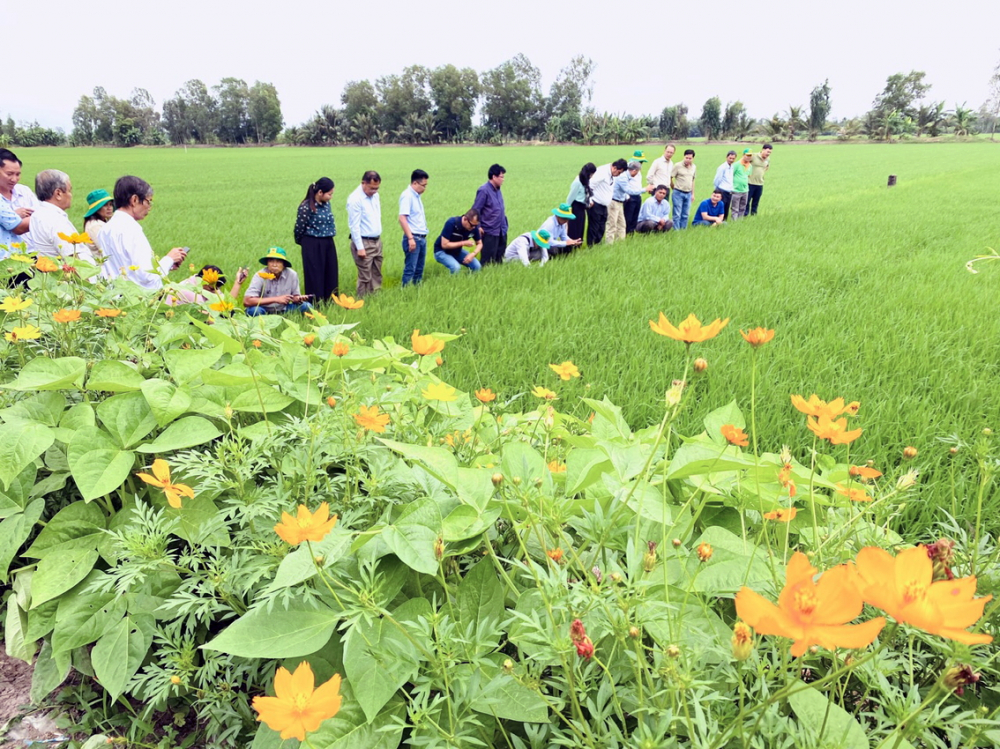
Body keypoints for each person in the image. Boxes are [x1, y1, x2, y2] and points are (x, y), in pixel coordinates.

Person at [97, 175, 187, 289]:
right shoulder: (132, 229)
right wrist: (170, 259)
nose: (149, 207)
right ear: (134, 200)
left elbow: (125, 267)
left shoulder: (105, 229)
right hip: (139, 300)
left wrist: (168, 265)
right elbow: (147, 275)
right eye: (148, 201)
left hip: (115, 297)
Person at [29, 170, 97, 264]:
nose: (71, 195)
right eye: (69, 190)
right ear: (58, 194)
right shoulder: (55, 220)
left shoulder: (38, 214)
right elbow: (73, 259)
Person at [294, 177, 338, 301]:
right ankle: (315, 303)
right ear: (320, 193)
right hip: (312, 243)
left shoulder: (327, 204)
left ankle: (330, 301)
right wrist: (305, 243)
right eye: (329, 194)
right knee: (315, 275)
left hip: (328, 242)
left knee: (331, 272)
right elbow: (299, 228)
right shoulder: (305, 207)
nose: (331, 197)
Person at [243, 247, 313, 315]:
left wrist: (298, 299)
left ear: (284, 264)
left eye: (278, 261)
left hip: (284, 308)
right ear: (267, 263)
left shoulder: (292, 274)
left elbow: (295, 296)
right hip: (263, 309)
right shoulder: (260, 275)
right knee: (255, 311)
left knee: (307, 306)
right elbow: (247, 301)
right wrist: (276, 299)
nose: (274, 265)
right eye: (271, 261)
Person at [346, 171, 382, 298]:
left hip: (376, 241)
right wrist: (360, 247)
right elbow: (354, 226)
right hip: (363, 242)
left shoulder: (375, 196)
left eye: (377, 188)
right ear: (363, 183)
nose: (374, 191)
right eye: (372, 188)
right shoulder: (355, 199)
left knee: (376, 272)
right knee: (365, 276)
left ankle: (375, 298)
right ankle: (362, 300)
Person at [0, 149, 37, 253]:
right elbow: (19, 227)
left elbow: (39, 212)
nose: (14, 179)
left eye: (17, 174)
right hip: (8, 257)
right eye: (9, 174)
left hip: (33, 252)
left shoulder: (24, 191)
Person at [608, 160, 651, 244]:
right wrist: (645, 189)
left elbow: (623, 191)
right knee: (612, 225)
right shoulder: (623, 177)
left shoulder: (627, 176)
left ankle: (620, 243)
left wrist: (626, 197)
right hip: (614, 202)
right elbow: (629, 190)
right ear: (634, 170)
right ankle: (609, 244)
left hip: (620, 202)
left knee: (622, 225)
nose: (637, 173)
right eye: (638, 171)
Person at [471, 164, 507, 265]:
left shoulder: (498, 190)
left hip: (501, 230)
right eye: (501, 177)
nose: (503, 179)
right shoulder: (484, 190)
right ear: (494, 177)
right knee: (487, 260)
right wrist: (478, 226)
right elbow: (476, 209)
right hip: (489, 230)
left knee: (499, 259)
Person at [398, 169, 429, 286]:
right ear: (415, 183)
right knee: (410, 269)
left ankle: (416, 293)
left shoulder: (416, 196)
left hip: (421, 237)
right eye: (423, 185)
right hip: (414, 238)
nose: (425, 188)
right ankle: (405, 292)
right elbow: (402, 218)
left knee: (419, 270)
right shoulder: (407, 196)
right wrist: (410, 238)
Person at [166, 265, 249, 306]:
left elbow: (226, 304)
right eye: (212, 289)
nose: (215, 292)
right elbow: (210, 317)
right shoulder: (190, 292)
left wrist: (237, 283)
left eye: (217, 289)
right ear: (203, 281)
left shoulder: (208, 286)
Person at [433, 209, 483, 274]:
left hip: (456, 251)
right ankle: (451, 283)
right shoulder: (451, 223)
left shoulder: (474, 228)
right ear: (465, 219)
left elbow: (480, 243)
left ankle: (468, 281)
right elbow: (444, 245)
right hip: (441, 251)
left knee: (477, 267)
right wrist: (463, 243)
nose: (474, 227)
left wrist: (473, 254)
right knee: (456, 268)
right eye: (472, 225)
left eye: (476, 225)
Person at [587, 160, 624, 246]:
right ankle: (591, 245)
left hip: (604, 205)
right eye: (619, 172)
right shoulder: (602, 172)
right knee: (594, 227)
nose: (619, 175)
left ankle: (597, 243)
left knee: (601, 227)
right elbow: (590, 186)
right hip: (595, 203)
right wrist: (589, 200)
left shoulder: (611, 174)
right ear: (614, 168)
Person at [566, 163, 595, 245]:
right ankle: (571, 246)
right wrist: (566, 211)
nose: (592, 176)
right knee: (574, 228)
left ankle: (578, 245)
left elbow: (586, 194)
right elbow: (570, 198)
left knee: (580, 228)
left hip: (582, 207)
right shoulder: (577, 182)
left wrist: (589, 202)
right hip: (576, 207)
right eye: (592, 174)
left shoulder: (585, 181)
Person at [83, 188, 114, 257]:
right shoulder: (95, 226)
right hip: (100, 265)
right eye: (105, 205)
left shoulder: (100, 222)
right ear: (97, 208)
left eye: (111, 204)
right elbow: (108, 251)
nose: (110, 208)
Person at [670, 149, 697, 230]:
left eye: (690, 158)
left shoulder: (694, 167)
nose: (688, 160)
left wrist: (693, 194)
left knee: (685, 214)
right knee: (677, 214)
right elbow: (670, 177)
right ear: (684, 156)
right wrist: (673, 187)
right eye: (686, 157)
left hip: (688, 193)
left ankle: (683, 230)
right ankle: (676, 231)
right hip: (678, 192)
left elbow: (692, 180)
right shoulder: (677, 165)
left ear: (693, 158)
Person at [624, 150, 647, 234]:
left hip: (638, 196)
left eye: (642, 162)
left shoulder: (639, 171)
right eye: (640, 161)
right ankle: (626, 233)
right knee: (628, 217)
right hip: (630, 197)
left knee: (635, 217)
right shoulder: (627, 170)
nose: (641, 163)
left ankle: (631, 233)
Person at [748, 144, 772, 216]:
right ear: (763, 150)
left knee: (756, 201)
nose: (768, 154)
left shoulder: (768, 159)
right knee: (747, 201)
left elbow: (766, 168)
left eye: (770, 152)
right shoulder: (753, 156)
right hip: (750, 182)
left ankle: (753, 215)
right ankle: (745, 215)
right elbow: (744, 163)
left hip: (760, 183)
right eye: (767, 152)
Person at [713, 151, 737, 220]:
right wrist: (717, 190)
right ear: (726, 157)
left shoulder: (732, 167)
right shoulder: (722, 167)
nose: (731, 160)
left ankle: (724, 222)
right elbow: (717, 179)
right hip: (722, 190)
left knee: (726, 208)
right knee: (721, 208)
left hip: (729, 191)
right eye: (730, 158)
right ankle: (718, 221)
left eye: (733, 158)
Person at [730, 149, 753, 221]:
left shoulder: (750, 166)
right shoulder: (736, 164)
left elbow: (748, 176)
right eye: (747, 155)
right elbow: (730, 175)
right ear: (743, 155)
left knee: (743, 207)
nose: (748, 157)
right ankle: (734, 222)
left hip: (745, 190)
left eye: (750, 155)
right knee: (735, 208)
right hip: (736, 190)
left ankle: (740, 221)